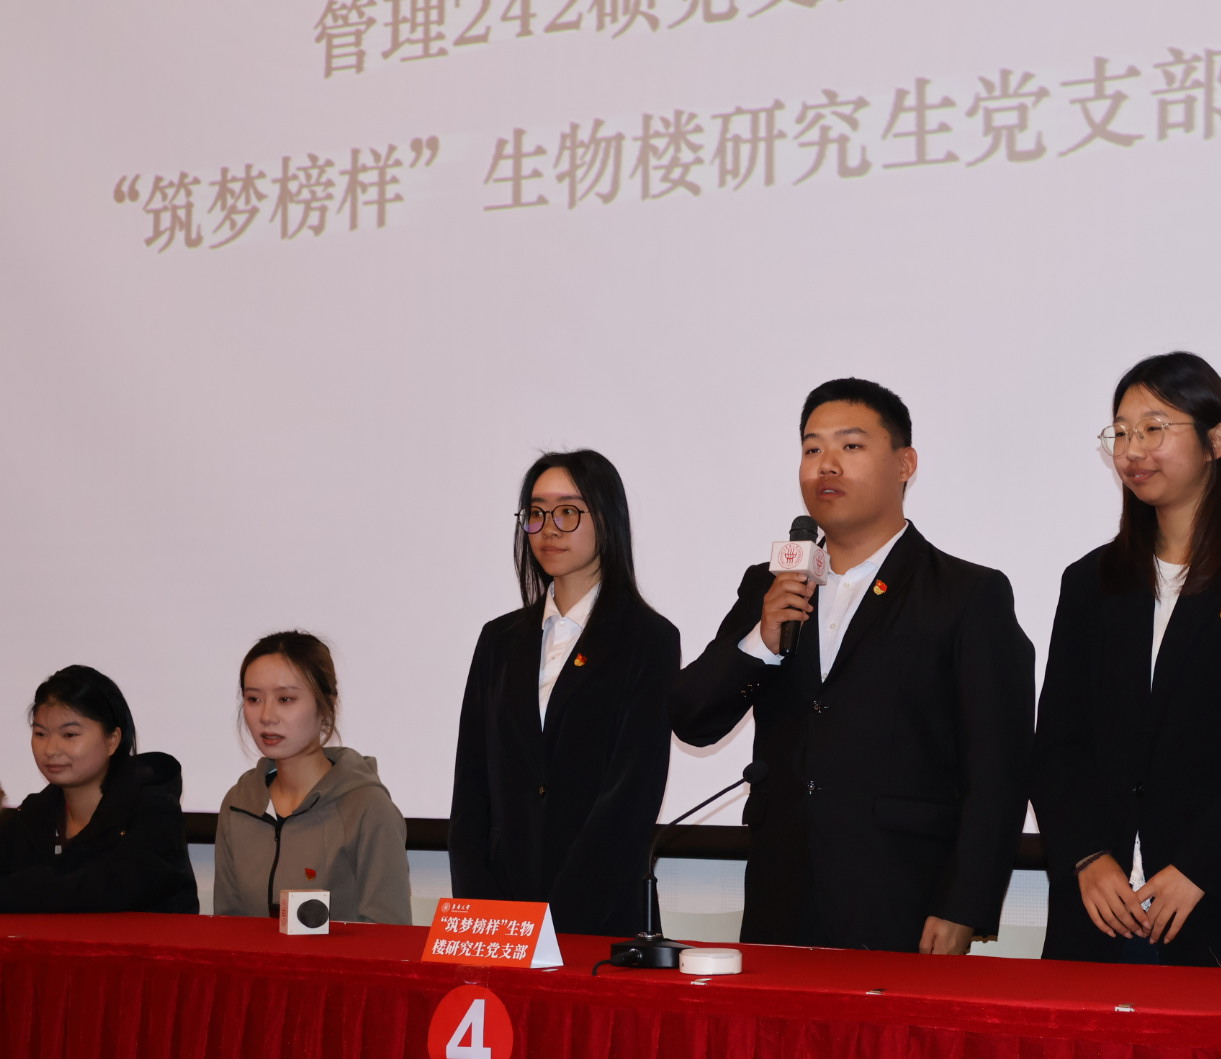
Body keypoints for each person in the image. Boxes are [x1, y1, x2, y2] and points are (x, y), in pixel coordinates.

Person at [671, 377, 1034, 955]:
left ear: (905, 464)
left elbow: (998, 769)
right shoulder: (769, 586)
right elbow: (693, 718)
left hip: (904, 900)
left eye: (851, 445)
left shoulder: (966, 594)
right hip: (781, 899)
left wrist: (963, 906)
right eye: (811, 448)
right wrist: (761, 641)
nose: (826, 465)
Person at [1032, 351, 1221, 971]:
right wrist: (1087, 856)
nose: (1132, 450)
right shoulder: (1092, 581)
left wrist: (1200, 867)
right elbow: (1058, 744)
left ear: (1216, 441)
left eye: (1154, 428)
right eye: (1121, 432)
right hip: (1104, 913)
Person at [450, 449, 679, 937]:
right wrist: (478, 907)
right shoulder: (499, 639)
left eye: (568, 511)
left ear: (607, 519)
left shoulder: (648, 639)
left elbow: (632, 794)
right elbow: (471, 786)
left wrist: (560, 918)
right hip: (501, 913)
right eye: (536, 513)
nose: (549, 528)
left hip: (600, 914)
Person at [214, 631, 411, 924]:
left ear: (326, 706)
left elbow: (389, 936)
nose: (266, 716)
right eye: (253, 699)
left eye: (285, 699)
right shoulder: (238, 804)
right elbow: (228, 926)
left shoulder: (367, 808)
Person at [0, 665, 198, 913]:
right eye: (40, 733)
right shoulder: (32, 815)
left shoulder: (153, 809)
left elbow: (108, 891)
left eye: (69, 735)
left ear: (112, 740)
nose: (50, 749)